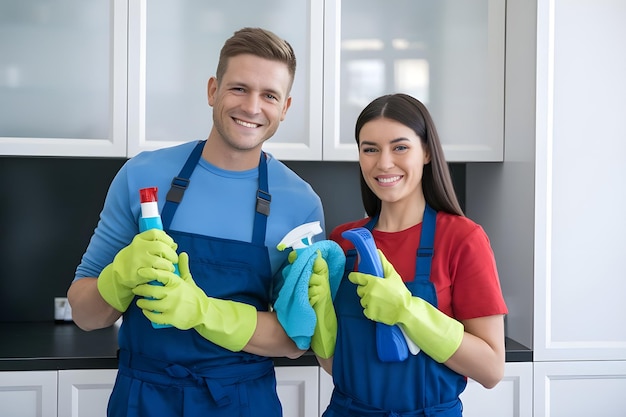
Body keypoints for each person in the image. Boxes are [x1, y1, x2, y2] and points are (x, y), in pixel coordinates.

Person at [67, 27, 324, 417]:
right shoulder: (142, 175)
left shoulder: (300, 204)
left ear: (285, 107)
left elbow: (294, 339)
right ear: (212, 91)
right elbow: (86, 315)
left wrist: (202, 311)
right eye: (239, 88)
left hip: (241, 402)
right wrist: (119, 277)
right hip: (142, 399)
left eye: (269, 95)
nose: (252, 107)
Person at [309, 93, 508, 416]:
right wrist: (319, 318)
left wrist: (407, 311)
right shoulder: (343, 243)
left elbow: (491, 369)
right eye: (369, 149)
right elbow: (336, 367)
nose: (384, 162)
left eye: (400, 147)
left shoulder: (463, 238)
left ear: (427, 152)